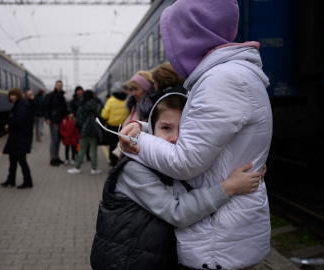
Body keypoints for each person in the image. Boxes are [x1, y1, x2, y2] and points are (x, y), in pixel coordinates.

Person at [119, 0, 273, 269]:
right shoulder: (235, 74)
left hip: (217, 240)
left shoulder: (221, 80)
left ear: (190, 36)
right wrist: (143, 128)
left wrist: (136, 140)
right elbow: (202, 139)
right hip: (226, 231)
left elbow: (185, 162)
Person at [91, 91, 262, 270]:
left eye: (185, 129)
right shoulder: (135, 170)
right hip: (125, 261)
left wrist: (248, 169)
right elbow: (176, 212)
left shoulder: (176, 164)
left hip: (150, 257)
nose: (175, 137)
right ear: (151, 130)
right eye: (166, 128)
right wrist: (230, 187)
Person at [1, 88, 34, 189]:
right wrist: (8, 123)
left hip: (21, 138)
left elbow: (18, 120)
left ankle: (28, 181)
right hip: (17, 137)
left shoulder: (21, 107)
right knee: (13, 159)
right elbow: (12, 118)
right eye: (10, 95)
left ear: (18, 96)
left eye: (14, 95)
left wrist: (9, 126)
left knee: (21, 160)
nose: (11, 97)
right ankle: (11, 180)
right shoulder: (18, 106)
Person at [67, 90, 103, 175]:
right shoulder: (97, 105)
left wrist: (81, 127)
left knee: (82, 149)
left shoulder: (81, 107)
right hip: (94, 130)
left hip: (84, 130)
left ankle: (77, 167)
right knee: (93, 149)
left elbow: (78, 121)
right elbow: (100, 117)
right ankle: (94, 169)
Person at [100, 82, 129, 167]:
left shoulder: (111, 100)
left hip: (112, 127)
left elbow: (104, 114)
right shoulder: (126, 99)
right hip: (124, 126)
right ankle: (122, 160)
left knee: (113, 144)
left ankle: (113, 161)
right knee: (122, 143)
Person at [43, 80, 68, 166]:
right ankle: (52, 159)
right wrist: (47, 118)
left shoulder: (62, 96)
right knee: (54, 140)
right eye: (58, 85)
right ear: (55, 85)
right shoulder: (50, 95)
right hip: (54, 121)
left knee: (58, 140)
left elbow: (64, 108)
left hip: (61, 121)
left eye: (61, 85)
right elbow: (46, 107)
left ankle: (56, 157)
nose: (60, 87)